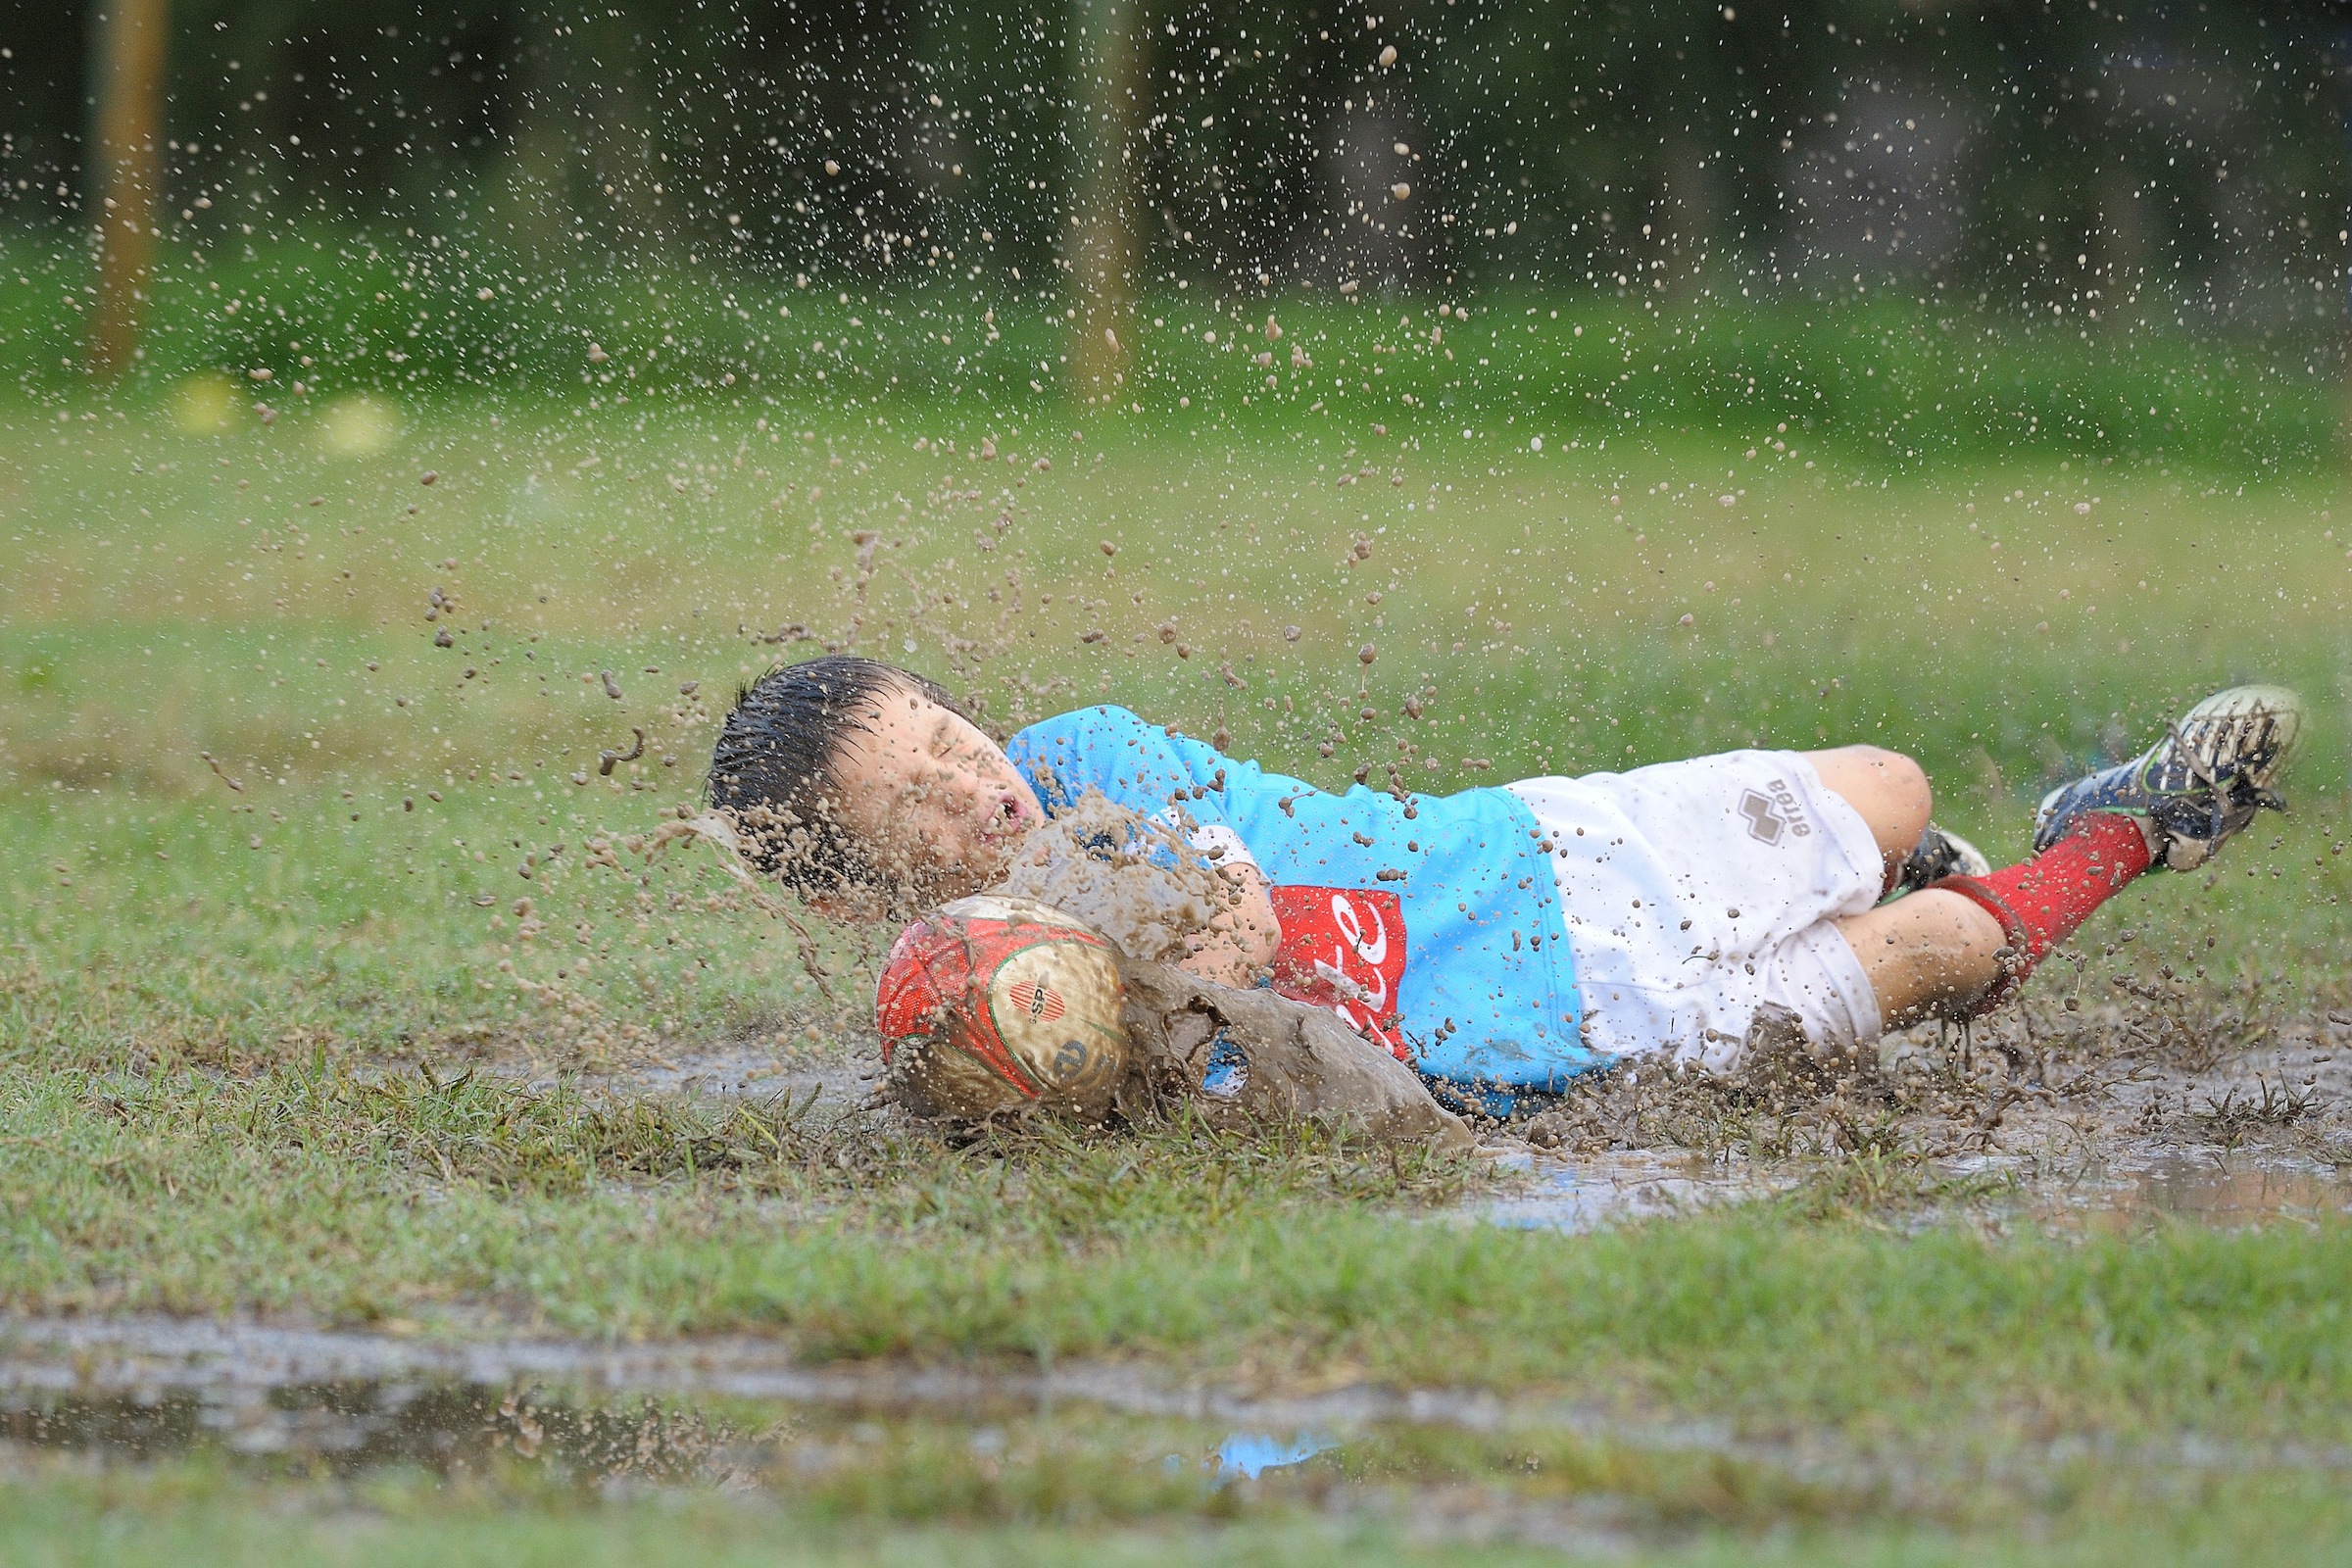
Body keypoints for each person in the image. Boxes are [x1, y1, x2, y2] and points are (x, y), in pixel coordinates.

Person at [706, 656, 2302, 1101]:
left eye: (945, 732)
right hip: (1570, 1041)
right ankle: (2135, 827)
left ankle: (1919, 870)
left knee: (1892, 788)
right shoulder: (978, 1008)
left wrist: (1062, 915)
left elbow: (1231, 917)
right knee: (1942, 952)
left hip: (1529, 846)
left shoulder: (1087, 756)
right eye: (914, 803)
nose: (969, 779)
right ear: (862, 895)